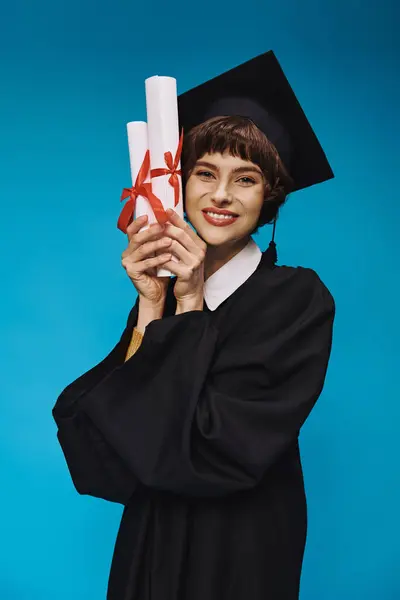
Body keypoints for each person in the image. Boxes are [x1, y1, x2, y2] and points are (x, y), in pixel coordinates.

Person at [52, 51, 335, 600]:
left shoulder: (298, 298)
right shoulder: (164, 293)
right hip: (151, 535)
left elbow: (212, 449)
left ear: (270, 196)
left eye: (246, 178)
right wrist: (154, 306)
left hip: (241, 543)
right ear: (179, 184)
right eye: (204, 172)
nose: (221, 195)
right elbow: (105, 452)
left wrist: (188, 305)